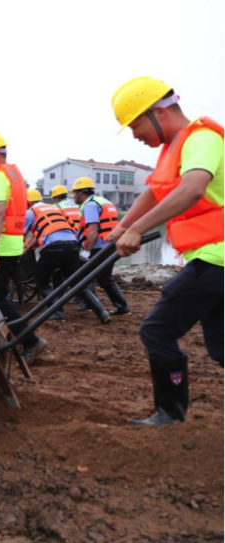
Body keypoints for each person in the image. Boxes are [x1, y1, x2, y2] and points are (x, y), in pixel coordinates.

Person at [108, 77, 225, 426]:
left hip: (216, 259)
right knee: (222, 347)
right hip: (212, 259)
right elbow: (154, 193)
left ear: (158, 111)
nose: (135, 135)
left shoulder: (202, 138)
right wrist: (121, 226)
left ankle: (169, 414)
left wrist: (139, 229)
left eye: (135, 125)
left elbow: (191, 190)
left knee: (156, 331)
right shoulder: (173, 148)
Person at [0, 130, 46, 363]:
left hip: (1, 248)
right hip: (12, 246)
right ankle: (4, 343)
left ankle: (31, 341)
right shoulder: (13, 176)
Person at [24, 189, 110, 323]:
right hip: (72, 245)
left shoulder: (30, 212)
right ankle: (102, 312)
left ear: (27, 203)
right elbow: (46, 232)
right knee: (76, 283)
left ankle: (57, 313)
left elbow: (18, 234)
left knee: (41, 280)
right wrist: (29, 248)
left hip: (54, 248)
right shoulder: (54, 209)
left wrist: (23, 250)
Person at [71, 177, 131, 316]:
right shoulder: (104, 201)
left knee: (84, 274)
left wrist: (87, 250)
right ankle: (122, 307)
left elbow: (93, 229)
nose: (73, 196)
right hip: (110, 244)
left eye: (75, 193)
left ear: (81, 193)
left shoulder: (90, 205)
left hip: (100, 246)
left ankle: (90, 304)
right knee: (104, 278)